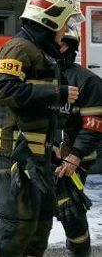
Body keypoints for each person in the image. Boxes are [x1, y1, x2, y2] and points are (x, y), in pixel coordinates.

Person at [0, 0, 83, 257]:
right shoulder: (19, 48)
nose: (66, 31)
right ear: (49, 21)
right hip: (15, 151)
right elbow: (5, 91)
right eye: (65, 24)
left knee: (38, 226)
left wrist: (53, 145)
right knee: (16, 226)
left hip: (36, 152)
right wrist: (57, 93)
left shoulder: (39, 51)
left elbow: (37, 111)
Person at [54, 25, 101, 257]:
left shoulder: (87, 81)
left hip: (74, 158)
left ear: (65, 45)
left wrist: (73, 156)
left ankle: (79, 252)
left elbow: (93, 125)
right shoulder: (41, 75)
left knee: (69, 208)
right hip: (42, 153)